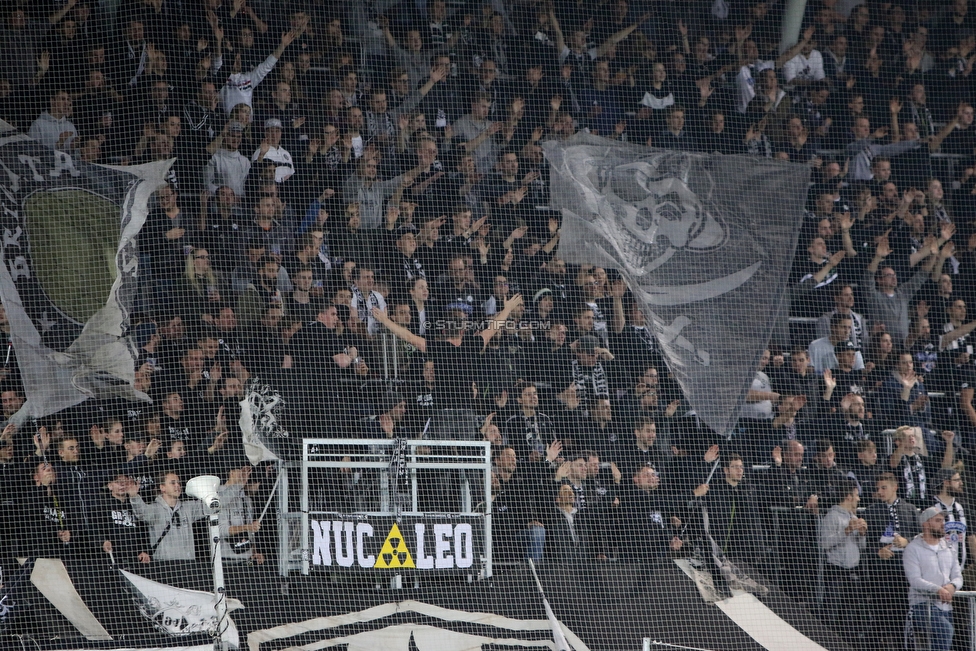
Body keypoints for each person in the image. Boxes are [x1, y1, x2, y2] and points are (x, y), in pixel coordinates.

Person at [864, 472, 919, 646]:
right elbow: (864, 543)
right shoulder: (871, 511)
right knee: (878, 613)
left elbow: (919, 538)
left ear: (895, 487)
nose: (880, 491)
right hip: (879, 571)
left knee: (901, 612)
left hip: (903, 570)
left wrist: (907, 541)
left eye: (883, 488)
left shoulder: (910, 509)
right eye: (878, 488)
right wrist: (877, 552)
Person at [904, 506, 963, 651]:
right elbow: (915, 580)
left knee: (948, 638)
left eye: (943, 520)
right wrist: (938, 590)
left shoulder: (949, 548)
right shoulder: (912, 549)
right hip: (922, 604)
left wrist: (952, 586)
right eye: (938, 520)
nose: (943, 524)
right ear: (926, 524)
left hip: (946, 606)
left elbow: (957, 575)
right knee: (945, 631)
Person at [818, 478, 868, 644]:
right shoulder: (832, 516)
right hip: (836, 573)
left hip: (853, 574)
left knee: (852, 619)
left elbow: (862, 547)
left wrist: (861, 534)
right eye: (856, 495)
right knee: (832, 616)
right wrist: (846, 530)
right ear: (848, 497)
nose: (858, 499)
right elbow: (823, 543)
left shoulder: (855, 517)